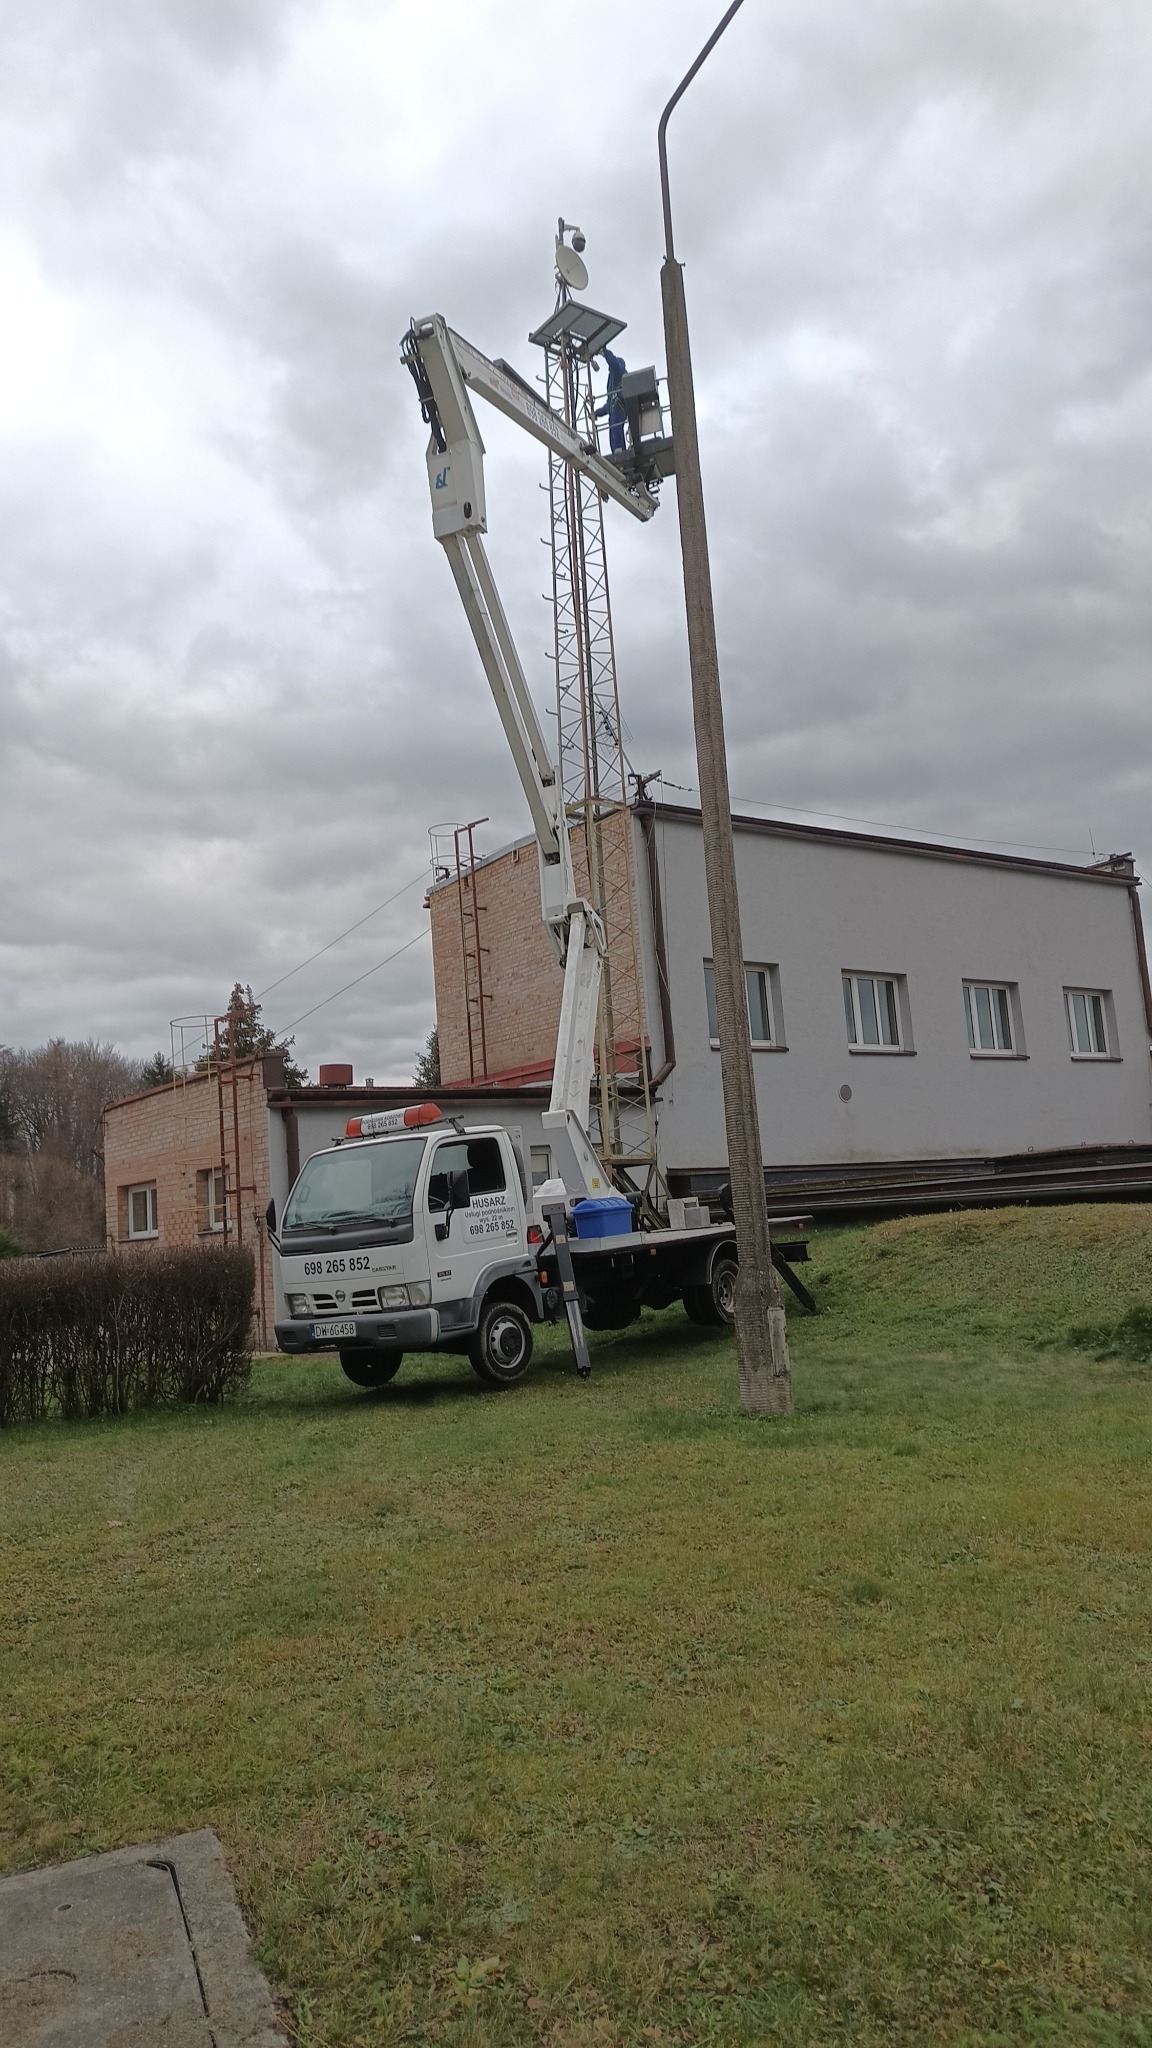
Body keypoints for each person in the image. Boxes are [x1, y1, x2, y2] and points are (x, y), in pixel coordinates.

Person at [596, 348, 627, 454]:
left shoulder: (619, 373)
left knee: (616, 427)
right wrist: (597, 413)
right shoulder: (613, 383)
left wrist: (605, 352)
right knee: (613, 430)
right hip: (614, 408)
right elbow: (608, 405)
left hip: (619, 407)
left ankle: (619, 449)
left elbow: (614, 364)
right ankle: (617, 450)